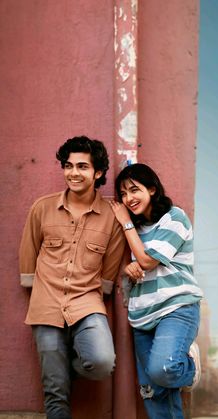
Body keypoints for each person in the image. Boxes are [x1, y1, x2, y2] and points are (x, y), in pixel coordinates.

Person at [19, 136, 126, 419]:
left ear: (98, 172)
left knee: (102, 362)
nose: (73, 173)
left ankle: (58, 368)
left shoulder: (111, 217)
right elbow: (28, 250)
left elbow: (109, 269)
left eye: (82, 166)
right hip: (46, 303)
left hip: (87, 302)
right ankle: (55, 376)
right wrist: (33, 288)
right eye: (68, 166)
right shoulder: (42, 208)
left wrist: (96, 292)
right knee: (55, 395)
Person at [109, 163, 203, 419]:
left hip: (176, 308)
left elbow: (148, 261)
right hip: (142, 315)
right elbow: (136, 264)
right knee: (152, 390)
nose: (128, 198)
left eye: (134, 190)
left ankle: (190, 367)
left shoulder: (175, 217)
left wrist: (126, 224)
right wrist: (130, 267)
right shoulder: (136, 231)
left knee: (164, 369)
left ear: (152, 189)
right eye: (124, 194)